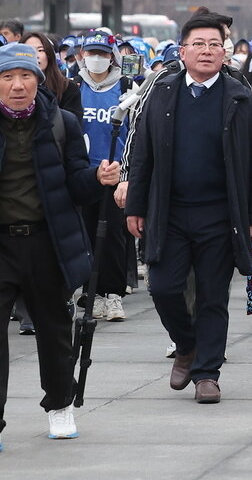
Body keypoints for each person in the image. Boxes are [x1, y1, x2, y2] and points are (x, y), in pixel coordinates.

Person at [125, 13, 252, 404]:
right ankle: (187, 346)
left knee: (212, 295)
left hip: (220, 215)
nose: (207, 51)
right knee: (163, 287)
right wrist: (135, 206)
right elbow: (144, 155)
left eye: (215, 45)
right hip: (169, 212)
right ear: (182, 51)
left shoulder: (239, 97)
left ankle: (208, 373)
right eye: (199, 44)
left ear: (224, 53)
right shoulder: (162, 91)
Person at [0, 43, 118, 445]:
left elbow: (75, 184)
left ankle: (59, 405)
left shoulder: (62, 122)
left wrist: (98, 178)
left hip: (45, 243)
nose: (18, 85)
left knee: (54, 332)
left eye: (26, 76)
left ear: (39, 78)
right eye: (7, 77)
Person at [73, 32, 132, 322]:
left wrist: (128, 171)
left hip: (115, 173)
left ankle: (113, 294)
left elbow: (135, 130)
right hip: (85, 173)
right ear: (82, 54)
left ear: (112, 56)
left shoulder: (125, 85)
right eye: (91, 53)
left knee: (113, 235)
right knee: (84, 235)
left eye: (103, 53)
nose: (97, 59)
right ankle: (90, 293)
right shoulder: (74, 86)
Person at [21, 33, 81, 121]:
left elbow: (73, 127)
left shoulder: (68, 88)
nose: (35, 55)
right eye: (28, 50)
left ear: (49, 54)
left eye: (40, 50)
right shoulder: (12, 88)